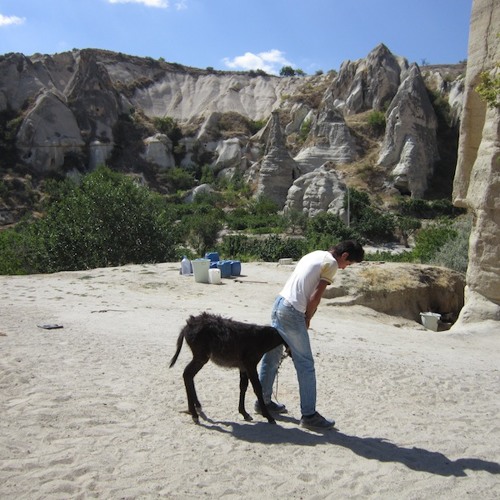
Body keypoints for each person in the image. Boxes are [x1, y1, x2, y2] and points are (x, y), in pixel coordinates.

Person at [255, 240, 365, 431]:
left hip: (279, 303)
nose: (345, 267)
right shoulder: (330, 264)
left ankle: (263, 402)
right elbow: (316, 296)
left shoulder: (315, 254)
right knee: (305, 365)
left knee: (271, 356)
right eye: (348, 263)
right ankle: (309, 416)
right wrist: (306, 319)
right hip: (292, 311)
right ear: (345, 255)